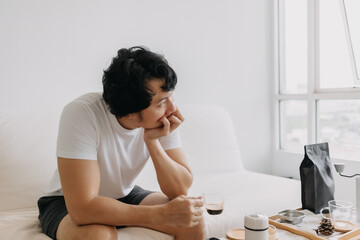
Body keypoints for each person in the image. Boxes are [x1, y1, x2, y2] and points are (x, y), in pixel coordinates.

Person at [37, 46, 205, 240]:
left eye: (170, 96)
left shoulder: (163, 118)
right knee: (99, 235)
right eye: (161, 102)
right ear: (130, 112)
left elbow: (179, 189)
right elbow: (83, 208)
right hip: (66, 201)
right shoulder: (82, 113)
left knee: (192, 220)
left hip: (122, 194)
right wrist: (160, 214)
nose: (172, 108)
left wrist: (152, 143)